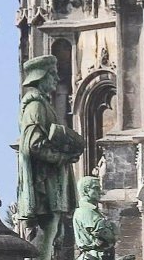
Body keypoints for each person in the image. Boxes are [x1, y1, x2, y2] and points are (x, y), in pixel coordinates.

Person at [17, 55, 84, 260]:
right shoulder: (35, 106)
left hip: (51, 181)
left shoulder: (44, 104)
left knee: (51, 232)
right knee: (46, 233)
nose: (56, 79)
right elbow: (34, 145)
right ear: (41, 76)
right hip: (44, 183)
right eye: (52, 74)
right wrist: (62, 157)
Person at [73, 176, 117, 260]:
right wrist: (113, 230)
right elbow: (106, 236)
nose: (100, 192)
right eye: (96, 188)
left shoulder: (91, 210)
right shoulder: (87, 211)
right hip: (94, 256)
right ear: (86, 191)